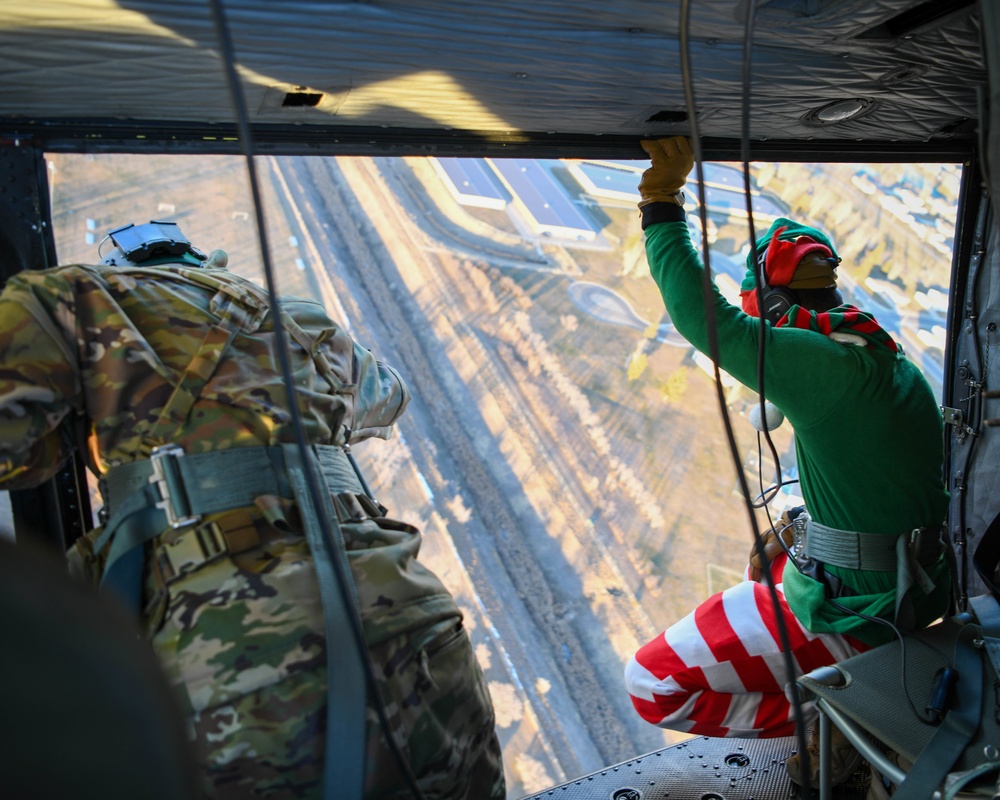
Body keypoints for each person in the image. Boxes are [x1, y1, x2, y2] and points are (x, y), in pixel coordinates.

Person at [0, 221, 505, 800]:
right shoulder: (296, 318)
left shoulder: (66, 298)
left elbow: (19, 457)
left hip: (239, 657)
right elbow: (386, 398)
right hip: (416, 622)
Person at [622, 138, 951, 786]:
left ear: (773, 309)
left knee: (652, 681)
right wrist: (796, 528)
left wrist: (661, 201)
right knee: (770, 559)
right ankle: (838, 694)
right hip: (913, 587)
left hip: (861, 614)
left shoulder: (820, 367)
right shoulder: (879, 355)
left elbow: (700, 317)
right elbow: (876, 485)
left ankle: (842, 711)